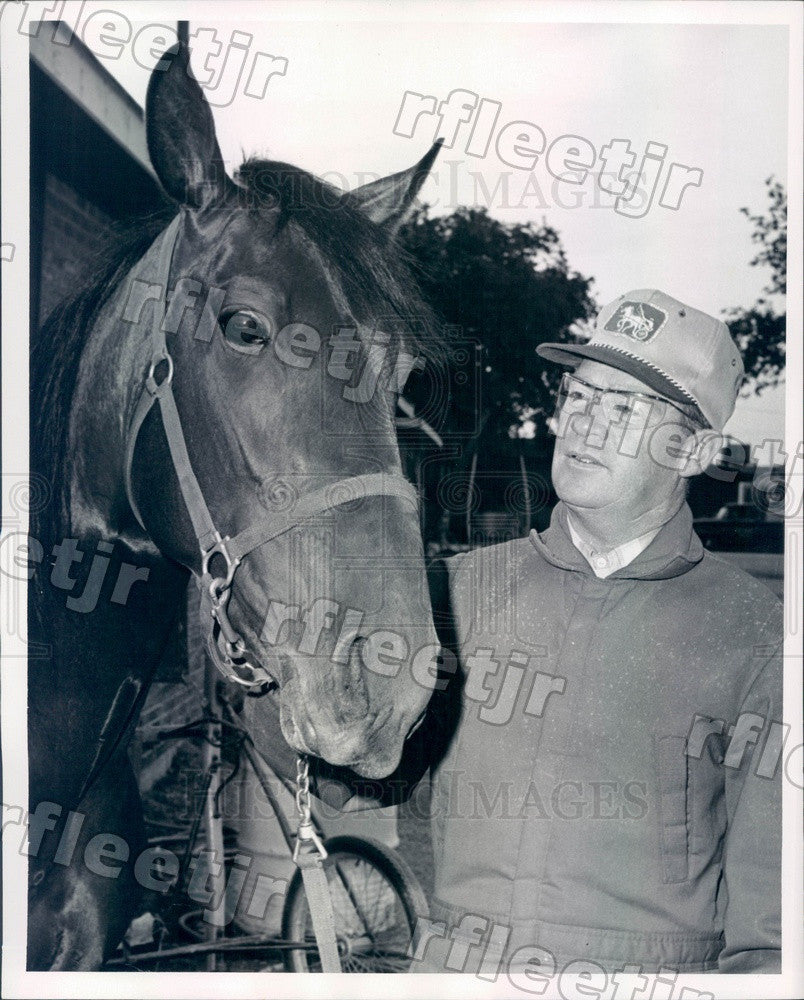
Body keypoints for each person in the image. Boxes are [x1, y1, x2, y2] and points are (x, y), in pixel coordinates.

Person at [247, 289, 782, 977]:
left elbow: (772, 944)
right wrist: (265, 677)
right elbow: (360, 775)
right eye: (582, 395)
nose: (587, 425)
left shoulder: (753, 636)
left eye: (625, 409)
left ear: (696, 450)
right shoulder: (456, 592)